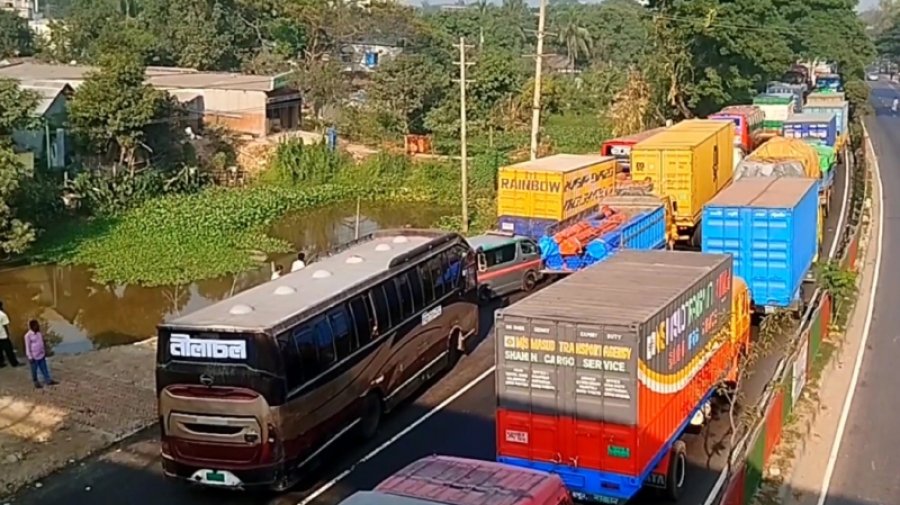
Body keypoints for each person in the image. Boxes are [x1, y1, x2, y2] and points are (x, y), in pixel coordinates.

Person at [24, 320, 57, 388]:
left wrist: (45, 351)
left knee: (44, 368)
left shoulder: (39, 333)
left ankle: (48, 380)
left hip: (41, 355)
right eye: (35, 326)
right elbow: (27, 347)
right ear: (32, 327)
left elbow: (41, 343)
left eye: (37, 325)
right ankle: (36, 382)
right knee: (34, 370)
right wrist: (30, 357)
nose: (37, 326)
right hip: (33, 356)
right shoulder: (28, 336)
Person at [0, 301, 20, 367]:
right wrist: (8, 334)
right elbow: (5, 326)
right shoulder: (3, 315)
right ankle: (14, 363)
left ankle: (1, 363)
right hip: (3, 335)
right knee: (9, 350)